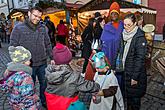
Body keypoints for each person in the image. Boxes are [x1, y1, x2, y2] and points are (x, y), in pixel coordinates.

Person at [10, 6, 54, 108]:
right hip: (28, 65)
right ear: (29, 13)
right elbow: (13, 47)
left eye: (39, 16)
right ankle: (30, 104)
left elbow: (48, 43)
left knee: (44, 84)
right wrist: (21, 61)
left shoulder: (43, 28)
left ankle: (44, 101)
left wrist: (52, 57)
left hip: (42, 62)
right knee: (29, 86)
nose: (37, 18)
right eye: (35, 15)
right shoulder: (18, 28)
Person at [44, 42, 100, 110]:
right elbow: (86, 85)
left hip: (52, 106)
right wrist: (97, 86)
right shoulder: (74, 77)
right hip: (67, 106)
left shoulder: (49, 73)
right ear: (68, 58)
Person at [114, 13, 147, 110]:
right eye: (124, 24)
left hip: (134, 74)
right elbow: (119, 51)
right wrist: (113, 67)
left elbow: (140, 59)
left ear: (135, 23)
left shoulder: (139, 37)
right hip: (126, 71)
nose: (126, 27)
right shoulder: (123, 35)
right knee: (128, 97)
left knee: (135, 100)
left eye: (129, 25)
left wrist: (135, 77)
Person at [100, 2, 124, 93]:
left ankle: (119, 94)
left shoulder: (123, 26)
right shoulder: (106, 27)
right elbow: (102, 43)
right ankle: (110, 94)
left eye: (115, 13)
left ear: (118, 14)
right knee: (109, 78)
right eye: (112, 13)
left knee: (119, 78)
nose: (113, 15)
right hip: (108, 56)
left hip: (119, 57)